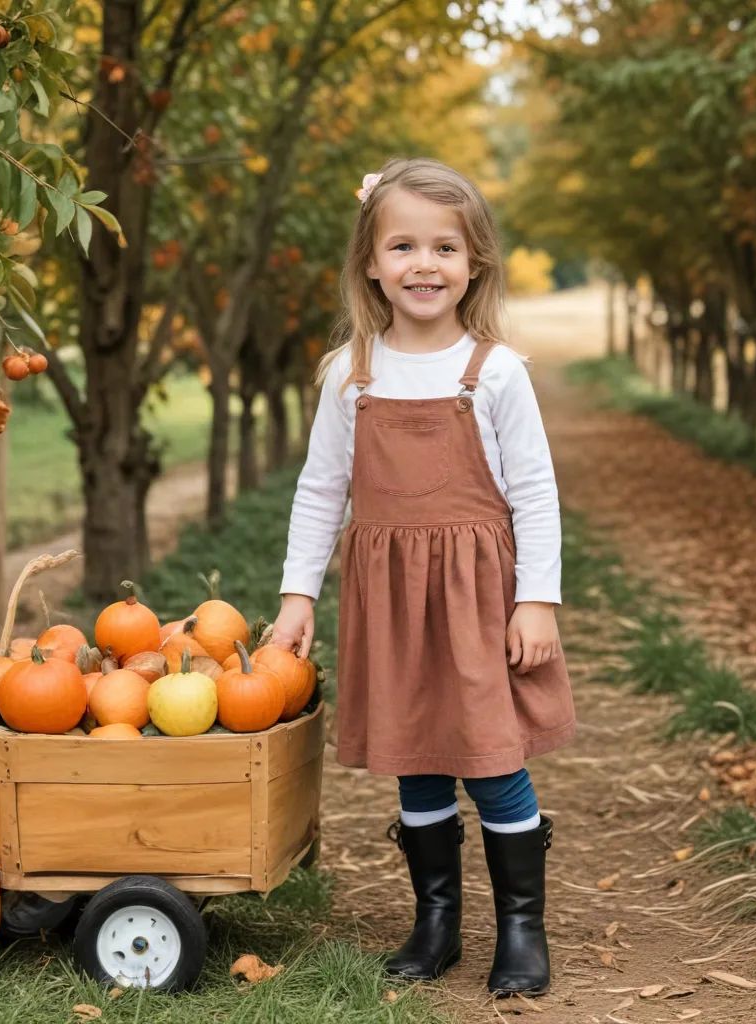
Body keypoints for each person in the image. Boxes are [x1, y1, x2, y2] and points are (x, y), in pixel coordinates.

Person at [270, 157, 575, 997]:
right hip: (392, 601)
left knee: (490, 755)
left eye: (445, 247)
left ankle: (521, 926)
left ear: (474, 261)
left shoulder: (496, 372)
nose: (424, 264)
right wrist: (300, 595)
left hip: (477, 600)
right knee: (418, 757)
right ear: (370, 261)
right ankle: (436, 919)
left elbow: (537, 495)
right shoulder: (350, 374)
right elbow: (321, 490)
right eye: (402, 245)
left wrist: (536, 600)